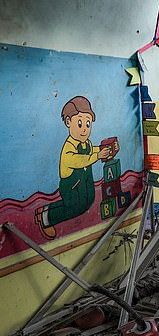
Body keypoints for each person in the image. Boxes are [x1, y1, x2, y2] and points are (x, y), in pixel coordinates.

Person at [34, 96, 114, 240]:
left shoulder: (87, 143)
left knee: (86, 201)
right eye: (80, 123)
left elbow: (92, 151)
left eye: (88, 124)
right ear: (68, 122)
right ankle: (46, 216)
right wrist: (96, 156)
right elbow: (79, 160)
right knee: (73, 207)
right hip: (71, 187)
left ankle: (46, 213)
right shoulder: (68, 147)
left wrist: (103, 151)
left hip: (85, 184)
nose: (84, 129)